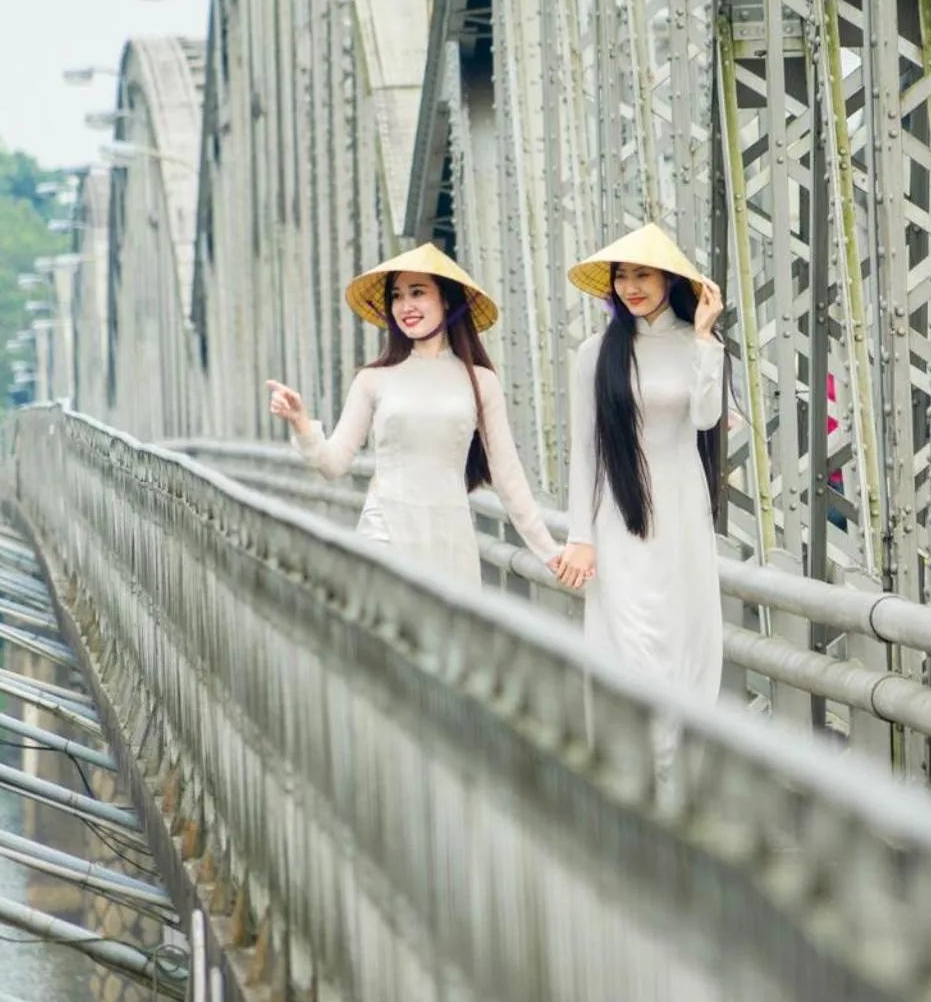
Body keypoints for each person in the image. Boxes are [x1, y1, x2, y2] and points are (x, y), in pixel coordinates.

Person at [264, 243, 561, 578]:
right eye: (396, 295)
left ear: (446, 299)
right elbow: (333, 465)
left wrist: (550, 551)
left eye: (417, 292)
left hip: (450, 539)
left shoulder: (480, 381)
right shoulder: (373, 379)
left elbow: (508, 476)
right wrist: (301, 423)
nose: (405, 306)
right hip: (384, 532)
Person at [552, 223, 729, 731]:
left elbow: (705, 419)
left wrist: (704, 339)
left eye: (643, 275)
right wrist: (580, 537)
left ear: (669, 280)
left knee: (684, 641)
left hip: (682, 515)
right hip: (619, 519)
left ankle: (679, 771)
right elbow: (586, 451)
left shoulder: (698, 346)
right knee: (630, 646)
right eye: (622, 276)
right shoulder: (595, 354)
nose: (631, 286)